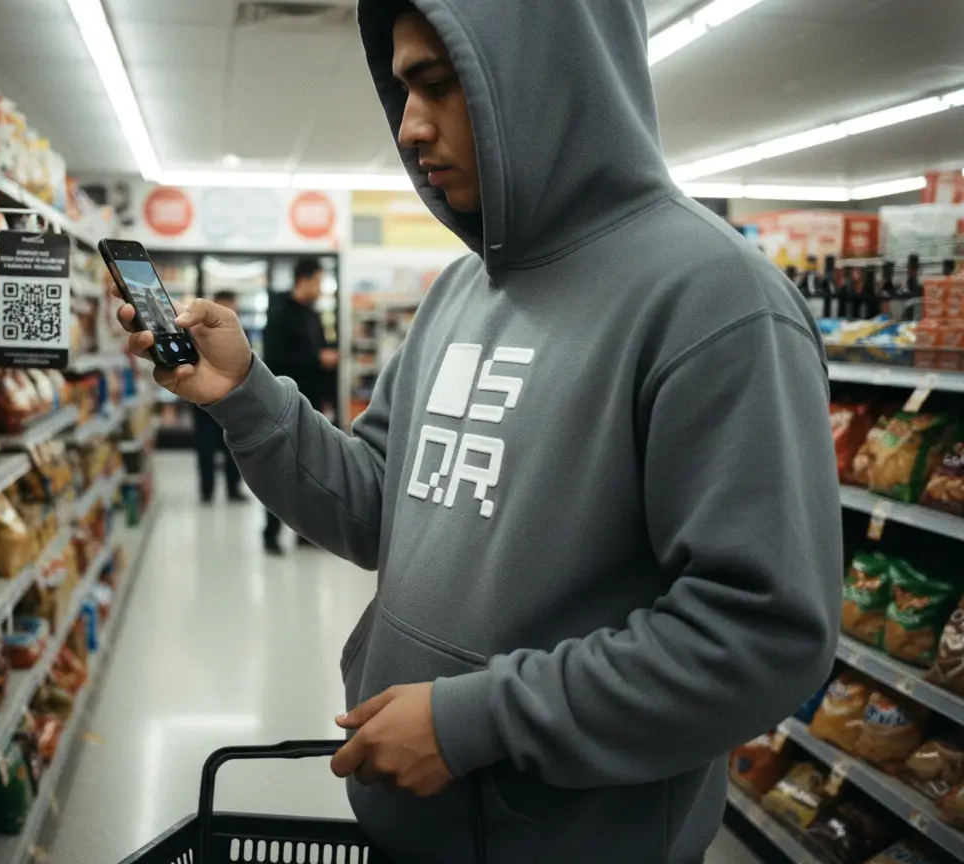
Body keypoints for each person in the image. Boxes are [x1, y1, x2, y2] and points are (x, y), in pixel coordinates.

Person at [115, 0, 841, 860]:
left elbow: (763, 634)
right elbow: (375, 503)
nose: (411, 128)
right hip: (410, 824)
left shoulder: (716, 302)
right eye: (401, 92)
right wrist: (243, 394)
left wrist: (477, 721)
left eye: (440, 84)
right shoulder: (460, 294)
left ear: (546, 76)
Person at [259, 258, 338, 554]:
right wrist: (318, 360)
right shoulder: (280, 314)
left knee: (308, 470)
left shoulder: (313, 315)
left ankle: (305, 533)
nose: (320, 288)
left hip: (312, 404)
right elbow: (274, 360)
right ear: (302, 280)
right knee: (281, 470)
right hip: (284, 405)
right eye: (317, 281)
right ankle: (270, 533)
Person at [192, 292, 245, 504]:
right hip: (203, 402)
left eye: (233, 308)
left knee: (233, 448)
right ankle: (207, 491)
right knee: (205, 449)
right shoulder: (197, 332)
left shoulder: (240, 333)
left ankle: (233, 489)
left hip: (232, 401)